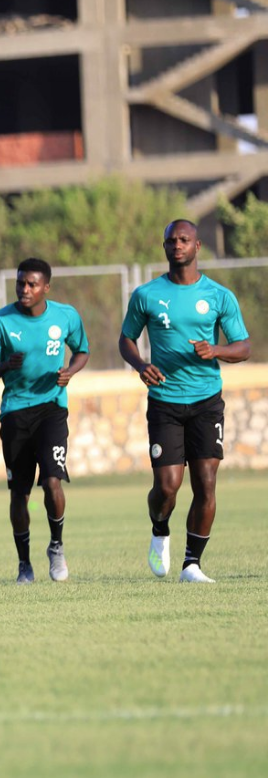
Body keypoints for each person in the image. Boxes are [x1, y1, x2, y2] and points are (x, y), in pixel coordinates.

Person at [119, 219, 250, 583]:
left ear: (197, 247)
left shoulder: (219, 296)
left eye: (184, 239)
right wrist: (140, 364)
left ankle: (192, 564)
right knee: (167, 487)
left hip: (207, 400)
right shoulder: (146, 294)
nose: (177, 245)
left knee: (206, 483)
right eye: (171, 240)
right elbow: (126, 339)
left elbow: (244, 346)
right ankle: (160, 528)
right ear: (164, 248)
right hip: (165, 401)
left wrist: (217, 350)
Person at [0, 258, 90, 584]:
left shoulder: (65, 316)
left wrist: (70, 371)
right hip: (15, 413)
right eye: (21, 283)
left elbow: (82, 350)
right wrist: (4, 367)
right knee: (19, 493)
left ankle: (56, 546)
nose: (25, 289)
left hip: (52, 409)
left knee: (53, 481)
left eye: (32, 284)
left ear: (46, 288)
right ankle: (24, 563)